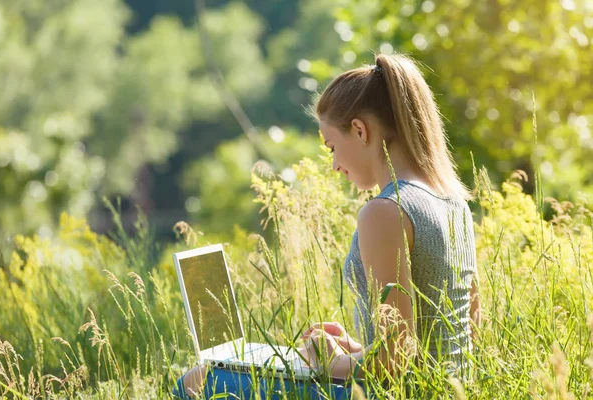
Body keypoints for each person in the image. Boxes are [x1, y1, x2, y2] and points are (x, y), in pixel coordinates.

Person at [172, 52, 481, 399]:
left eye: (332, 146)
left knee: (198, 381)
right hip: (445, 391)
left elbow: (396, 358)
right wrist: (354, 350)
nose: (334, 164)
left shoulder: (385, 212)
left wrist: (329, 362)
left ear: (360, 130)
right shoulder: (454, 202)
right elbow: (466, 330)